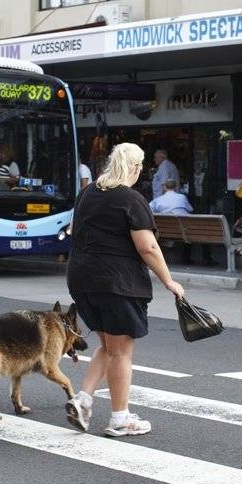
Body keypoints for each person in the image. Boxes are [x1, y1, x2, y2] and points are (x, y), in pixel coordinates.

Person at [65, 143, 185, 437]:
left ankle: (83, 400)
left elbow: (74, 230)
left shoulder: (87, 193)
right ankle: (120, 419)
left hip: (82, 279)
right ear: (136, 167)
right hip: (117, 282)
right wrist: (169, 280)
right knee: (121, 352)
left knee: (108, 345)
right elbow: (148, 247)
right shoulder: (130, 199)